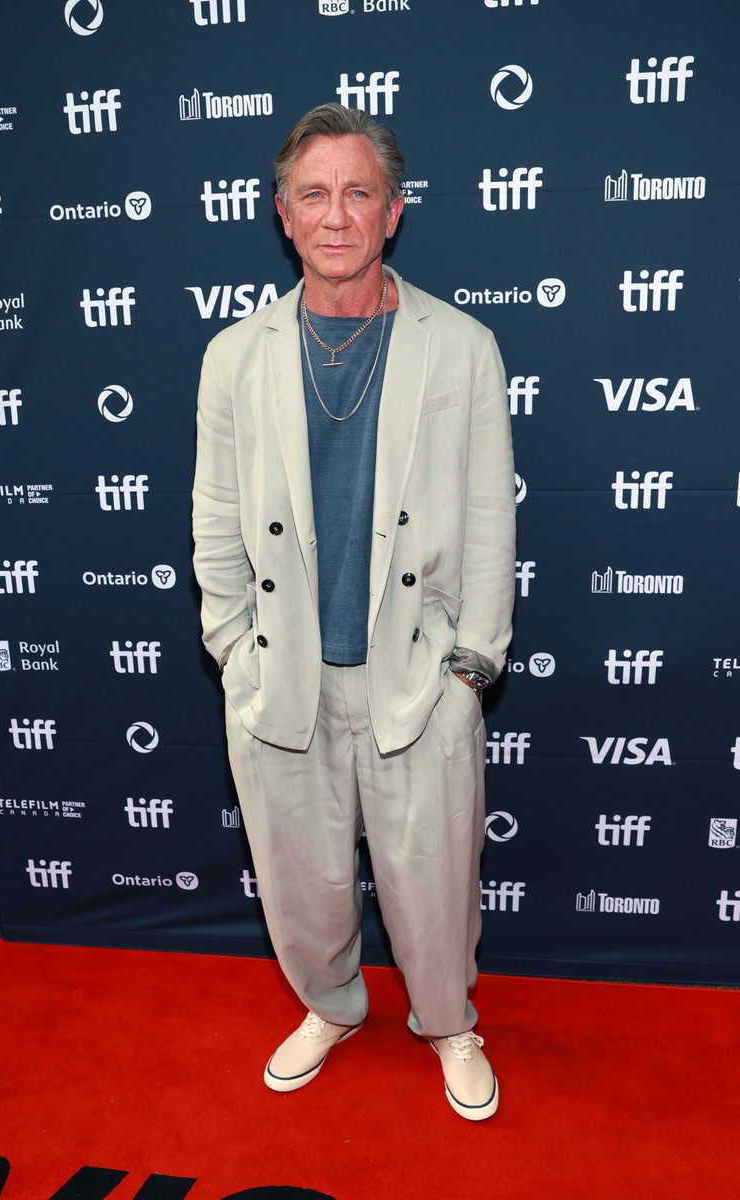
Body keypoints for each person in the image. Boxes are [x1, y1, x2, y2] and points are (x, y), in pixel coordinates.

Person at [192, 103, 515, 1121]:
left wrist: (468, 673)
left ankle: (445, 1021)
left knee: (430, 883)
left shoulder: (459, 347)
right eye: (313, 195)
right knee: (299, 883)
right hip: (281, 672)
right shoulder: (232, 358)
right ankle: (329, 1004)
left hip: (413, 677)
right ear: (284, 217)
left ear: (393, 211)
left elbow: (483, 525)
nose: (336, 216)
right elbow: (214, 522)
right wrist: (235, 651)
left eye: (357, 192)